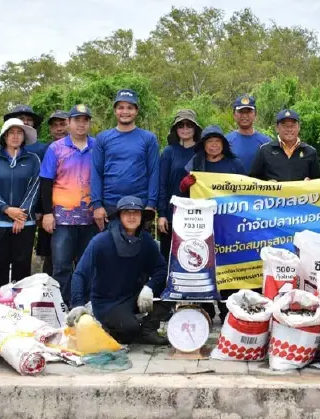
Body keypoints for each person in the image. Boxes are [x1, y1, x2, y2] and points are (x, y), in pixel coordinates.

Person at [71, 196, 169, 345]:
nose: (132, 216)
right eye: (127, 213)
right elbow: (80, 273)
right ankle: (111, 325)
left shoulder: (146, 241)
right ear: (119, 216)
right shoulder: (100, 241)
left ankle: (148, 329)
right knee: (129, 330)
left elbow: (161, 269)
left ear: (141, 217)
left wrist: (150, 287)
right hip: (107, 303)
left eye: (136, 213)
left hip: (134, 296)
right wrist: (78, 303)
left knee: (173, 289)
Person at [179, 126, 247, 322]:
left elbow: (248, 190)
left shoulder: (235, 164)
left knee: (229, 265)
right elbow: (185, 194)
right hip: (203, 226)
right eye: (210, 141)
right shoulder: (196, 164)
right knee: (204, 263)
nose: (214, 145)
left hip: (230, 225)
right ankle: (206, 308)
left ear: (224, 145)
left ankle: (229, 308)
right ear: (204, 145)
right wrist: (185, 186)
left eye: (218, 141)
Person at [40, 104, 97, 306]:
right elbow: (46, 182)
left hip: (90, 218)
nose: (81, 124)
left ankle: (84, 305)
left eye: (85, 120)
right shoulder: (56, 149)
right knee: (62, 265)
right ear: (69, 123)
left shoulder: (97, 147)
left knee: (86, 265)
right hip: (62, 218)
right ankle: (62, 306)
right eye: (77, 120)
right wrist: (47, 213)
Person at [0, 118, 41, 289]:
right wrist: (7, 209)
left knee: (21, 270)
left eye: (19, 132)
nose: (15, 136)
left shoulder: (33, 160)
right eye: (11, 133)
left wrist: (21, 216)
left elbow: (35, 187)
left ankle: (19, 310)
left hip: (25, 224)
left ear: (24, 136)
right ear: (4, 136)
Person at [92, 89, 160, 231]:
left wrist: (151, 204)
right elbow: (96, 172)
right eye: (121, 107)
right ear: (115, 111)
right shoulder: (103, 138)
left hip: (139, 205)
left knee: (138, 250)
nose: (125, 111)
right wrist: (97, 205)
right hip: (110, 205)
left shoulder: (148, 138)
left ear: (136, 111)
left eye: (130, 107)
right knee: (110, 251)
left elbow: (154, 172)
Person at [157, 109, 202, 262]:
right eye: (181, 125)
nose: (185, 129)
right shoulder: (168, 152)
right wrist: (161, 214)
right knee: (168, 257)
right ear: (175, 129)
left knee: (193, 257)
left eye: (189, 125)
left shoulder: (202, 152)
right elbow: (161, 184)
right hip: (171, 214)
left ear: (195, 128)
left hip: (197, 216)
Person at [35, 110, 70, 276]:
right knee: (50, 257)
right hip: (50, 212)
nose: (59, 129)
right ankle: (49, 297)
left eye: (62, 124)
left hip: (77, 213)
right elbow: (42, 184)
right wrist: (42, 211)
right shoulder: (46, 149)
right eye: (54, 125)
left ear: (70, 124)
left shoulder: (87, 147)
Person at [250, 109, 320, 182]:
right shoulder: (264, 150)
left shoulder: (310, 152)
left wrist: (311, 183)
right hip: (273, 194)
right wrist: (266, 184)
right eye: (285, 126)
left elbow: (318, 183)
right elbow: (253, 181)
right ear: (277, 128)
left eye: (293, 126)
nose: (289, 129)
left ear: (299, 128)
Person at [226, 95, 271, 173]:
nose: (244, 115)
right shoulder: (225, 141)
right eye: (241, 112)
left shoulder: (266, 142)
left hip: (258, 185)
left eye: (249, 112)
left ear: (255, 114)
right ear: (234, 115)